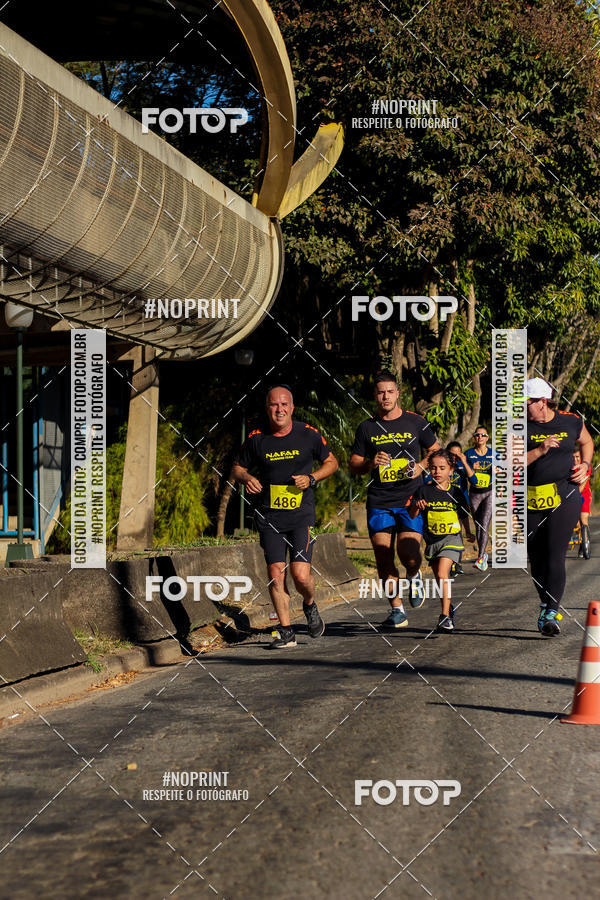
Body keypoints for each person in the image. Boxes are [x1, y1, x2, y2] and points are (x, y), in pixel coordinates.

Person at [232, 385, 339, 649]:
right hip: (269, 517)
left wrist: (312, 478)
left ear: (291, 408)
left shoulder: (308, 434)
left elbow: (332, 463)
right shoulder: (257, 438)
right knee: (275, 573)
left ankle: (310, 605)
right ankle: (286, 629)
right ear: (267, 408)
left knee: (300, 575)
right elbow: (237, 467)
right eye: (273, 405)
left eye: (284, 405)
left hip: (301, 516)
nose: (279, 410)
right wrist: (247, 477)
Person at [350, 370, 440, 628]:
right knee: (383, 555)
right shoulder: (366, 427)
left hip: (411, 498)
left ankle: (413, 575)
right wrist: (370, 462)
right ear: (375, 395)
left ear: (398, 393)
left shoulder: (415, 422)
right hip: (380, 501)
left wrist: (421, 467)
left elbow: (435, 450)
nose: (385, 396)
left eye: (390, 391)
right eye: (381, 392)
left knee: (409, 553)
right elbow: (354, 463)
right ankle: (397, 610)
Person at [526, 377, 594, 635]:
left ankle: (551, 612)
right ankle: (546, 603)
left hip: (564, 494)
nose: (523, 408)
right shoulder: (519, 427)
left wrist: (586, 466)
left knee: (555, 553)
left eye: (528, 403)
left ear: (542, 402)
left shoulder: (570, 421)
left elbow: (587, 442)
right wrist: (539, 450)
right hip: (531, 498)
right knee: (536, 557)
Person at [409, 449, 471, 632]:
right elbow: (412, 515)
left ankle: (444, 617)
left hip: (452, 539)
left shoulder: (456, 492)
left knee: (443, 574)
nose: (437, 472)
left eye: (442, 468)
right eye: (433, 468)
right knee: (439, 578)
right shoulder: (423, 490)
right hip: (432, 542)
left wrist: (468, 532)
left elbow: (463, 514)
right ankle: (448, 607)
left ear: (451, 470)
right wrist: (417, 507)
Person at [465, 427, 495, 571]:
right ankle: (483, 555)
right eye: (477, 435)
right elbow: (462, 470)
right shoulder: (469, 453)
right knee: (478, 525)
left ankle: (481, 557)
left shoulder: (493, 454)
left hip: (490, 491)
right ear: (474, 437)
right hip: (475, 492)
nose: (480, 437)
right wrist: (471, 466)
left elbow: (504, 471)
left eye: (483, 435)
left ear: (487, 438)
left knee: (484, 523)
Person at [573, 449, 592, 559]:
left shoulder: (586, 468)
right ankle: (580, 537)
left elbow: (583, 484)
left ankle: (584, 544)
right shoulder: (568, 468)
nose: (575, 460)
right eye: (573, 457)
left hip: (583, 494)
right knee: (575, 523)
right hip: (572, 495)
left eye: (577, 457)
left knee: (583, 519)